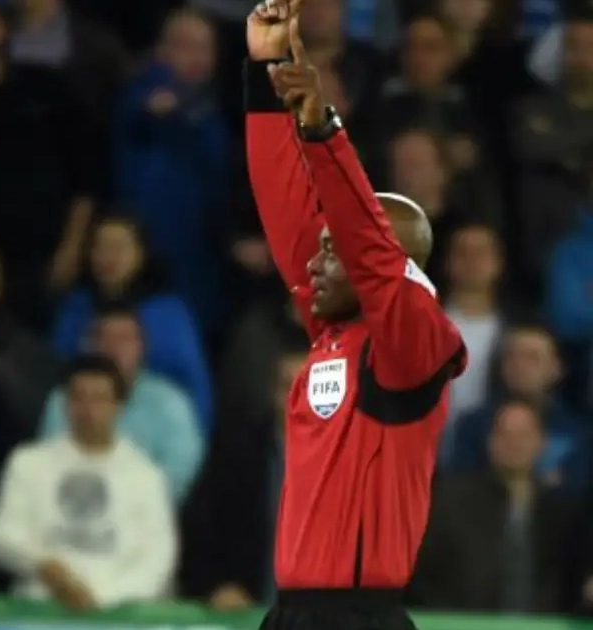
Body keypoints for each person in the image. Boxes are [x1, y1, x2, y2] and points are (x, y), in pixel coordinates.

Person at [244, 3, 467, 629]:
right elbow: (285, 205)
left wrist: (324, 131)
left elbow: (368, 246)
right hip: (290, 614)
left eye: (331, 250)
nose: (313, 263)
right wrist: (264, 73)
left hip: (359, 618)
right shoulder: (334, 334)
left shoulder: (415, 345)